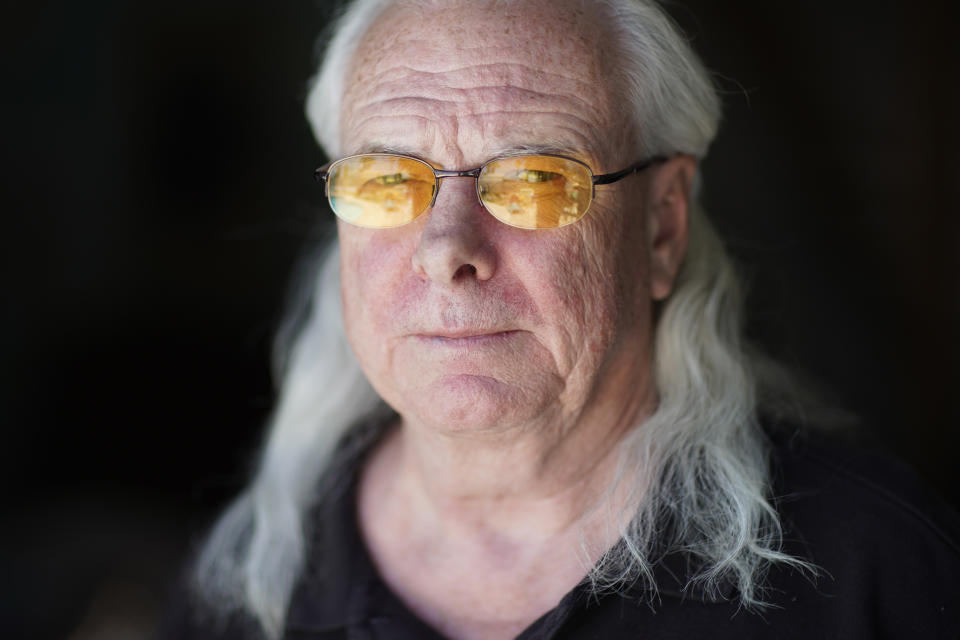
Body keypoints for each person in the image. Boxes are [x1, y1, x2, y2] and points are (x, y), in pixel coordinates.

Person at [160, 0, 960, 638]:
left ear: (662, 226)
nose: (447, 250)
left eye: (537, 178)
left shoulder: (875, 577)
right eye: (384, 180)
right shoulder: (249, 591)